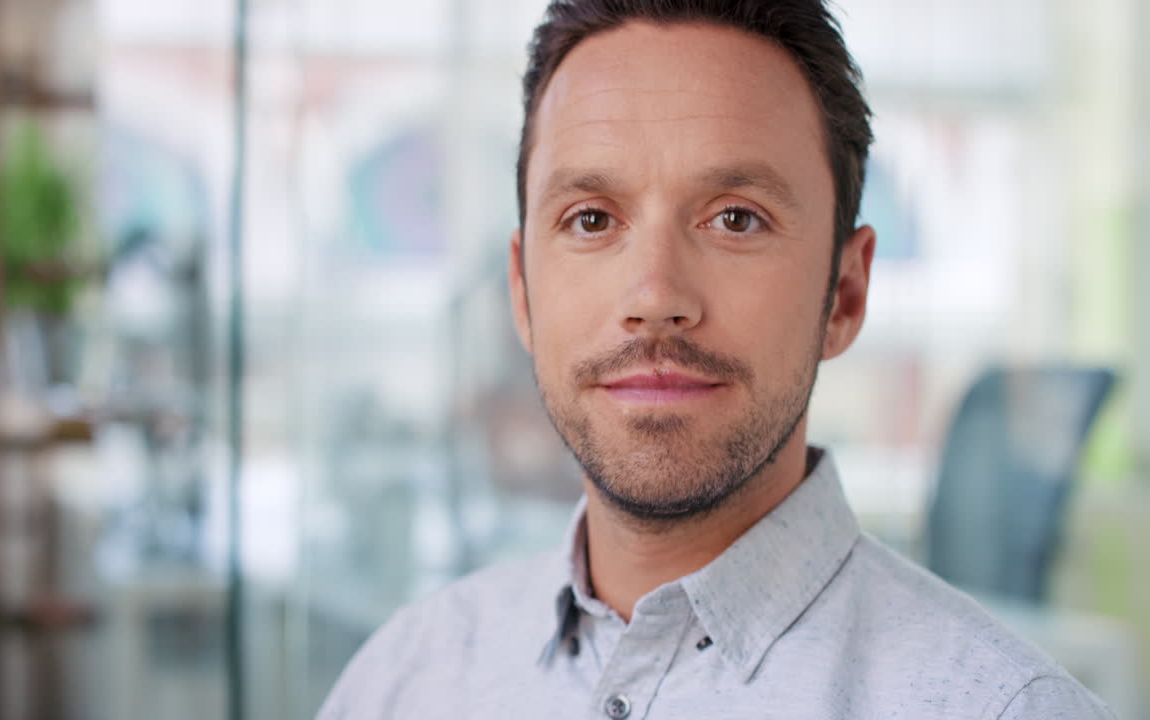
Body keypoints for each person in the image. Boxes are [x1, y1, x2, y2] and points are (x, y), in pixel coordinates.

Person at [317, 1, 1116, 717]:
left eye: (736, 218)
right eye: (592, 218)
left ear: (843, 295)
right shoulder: (401, 680)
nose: (656, 294)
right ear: (522, 293)